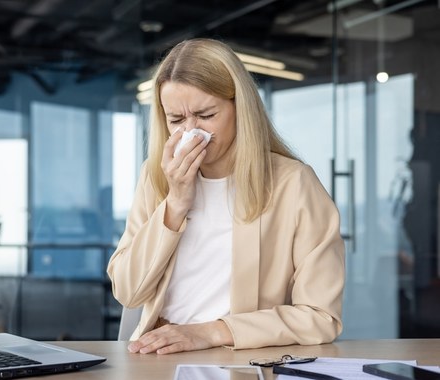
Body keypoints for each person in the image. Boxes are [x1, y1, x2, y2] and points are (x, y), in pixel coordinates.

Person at [107, 38, 345, 354]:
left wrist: (214, 332)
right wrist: (175, 202)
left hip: (242, 356)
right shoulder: (155, 177)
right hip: (158, 355)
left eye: (206, 115)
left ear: (240, 108)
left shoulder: (293, 184)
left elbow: (320, 317)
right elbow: (128, 291)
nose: (191, 132)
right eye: (176, 120)